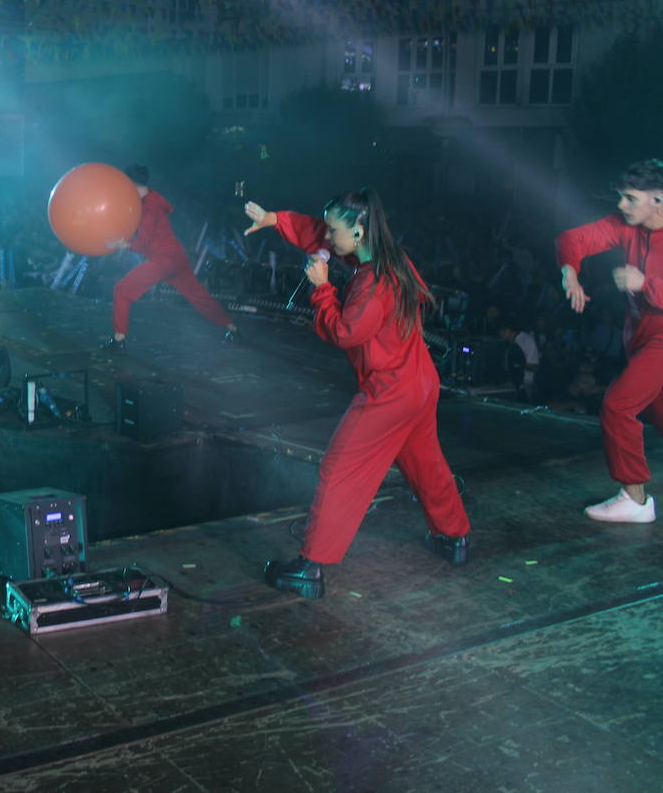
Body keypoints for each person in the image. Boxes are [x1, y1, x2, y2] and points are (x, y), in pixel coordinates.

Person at [243, 191, 471, 598]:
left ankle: (310, 568)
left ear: (359, 231)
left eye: (335, 231)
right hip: (420, 382)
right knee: (425, 463)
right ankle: (453, 537)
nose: (328, 238)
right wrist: (276, 219)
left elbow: (345, 331)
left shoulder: (372, 282)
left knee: (339, 468)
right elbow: (318, 232)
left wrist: (322, 289)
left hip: (391, 391)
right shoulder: (387, 258)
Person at [555, 159, 663, 524]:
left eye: (630, 198)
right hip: (640, 334)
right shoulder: (625, 225)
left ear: (658, 199)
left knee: (618, 406)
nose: (621, 205)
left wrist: (645, 284)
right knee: (658, 412)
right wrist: (570, 273)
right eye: (621, 197)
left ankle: (635, 498)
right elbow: (573, 239)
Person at [101, 166, 237, 351]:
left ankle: (119, 340)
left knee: (121, 290)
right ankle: (231, 327)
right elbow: (164, 211)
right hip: (177, 257)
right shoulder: (152, 196)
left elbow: (141, 242)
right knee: (198, 295)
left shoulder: (148, 208)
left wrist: (122, 245)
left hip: (162, 261)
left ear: (131, 183)